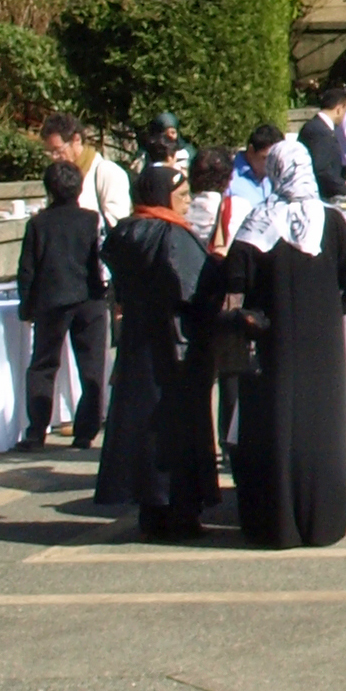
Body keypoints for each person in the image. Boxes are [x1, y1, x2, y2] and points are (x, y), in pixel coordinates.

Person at [223, 139, 346, 548]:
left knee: (275, 426)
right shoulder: (331, 222)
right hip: (323, 348)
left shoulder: (259, 222)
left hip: (272, 347)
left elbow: (234, 279)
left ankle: (276, 523)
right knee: (321, 429)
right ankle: (321, 521)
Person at [98, 166, 216, 534]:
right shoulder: (172, 235)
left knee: (142, 429)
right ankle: (181, 512)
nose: (186, 204)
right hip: (176, 345)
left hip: (138, 343)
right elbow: (195, 287)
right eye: (181, 197)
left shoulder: (125, 233)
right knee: (178, 431)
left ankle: (151, 510)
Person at [13, 157, 109, 455]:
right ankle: (85, 431)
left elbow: (27, 269)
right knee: (92, 367)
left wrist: (26, 306)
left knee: (43, 365)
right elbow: (101, 261)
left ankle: (36, 430)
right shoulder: (92, 219)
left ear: (49, 191)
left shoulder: (38, 223)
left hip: (52, 299)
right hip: (90, 298)